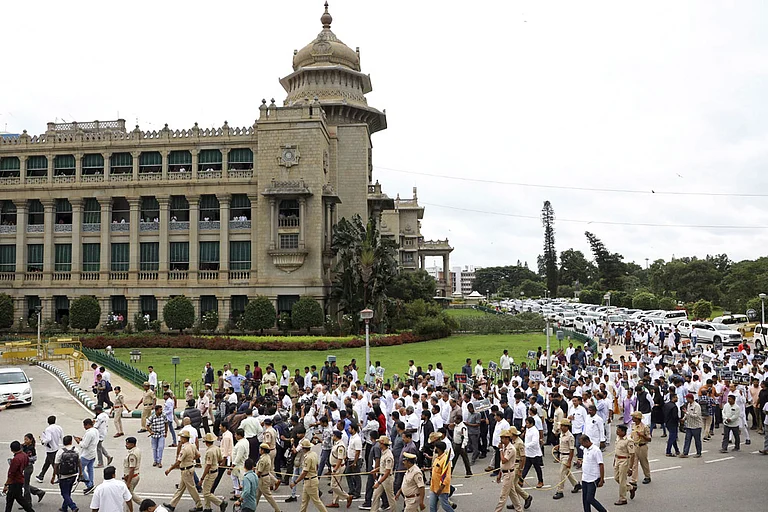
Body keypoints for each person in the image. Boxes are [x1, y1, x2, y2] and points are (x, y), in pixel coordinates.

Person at [163, 430, 203, 512]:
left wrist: (169, 469)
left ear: (184, 439)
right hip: (189, 468)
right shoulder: (192, 446)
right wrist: (191, 459)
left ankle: (199, 505)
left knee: (192, 489)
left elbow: (178, 461)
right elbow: (198, 455)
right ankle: (172, 505)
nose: (180, 439)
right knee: (180, 489)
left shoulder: (184, 449)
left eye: (181, 437)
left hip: (186, 470)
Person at [289, 438, 327, 512]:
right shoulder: (314, 454)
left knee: (316, 501)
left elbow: (304, 472)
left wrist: (295, 482)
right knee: (304, 501)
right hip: (310, 480)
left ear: (303, 448)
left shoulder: (307, 458)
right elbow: (316, 466)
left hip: (310, 481)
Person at [493, 429, 521, 512]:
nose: (501, 440)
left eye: (502, 438)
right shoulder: (506, 447)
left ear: (507, 438)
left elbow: (504, 460)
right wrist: (499, 474)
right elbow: (503, 465)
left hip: (509, 474)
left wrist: (500, 450)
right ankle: (519, 510)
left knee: (503, 496)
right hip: (506, 472)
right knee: (513, 495)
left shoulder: (511, 449)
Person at [5, 440, 35, 512]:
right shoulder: (24, 455)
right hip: (20, 479)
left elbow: (11, 474)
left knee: (17, 499)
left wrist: (6, 484)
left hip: (15, 482)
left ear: (12, 450)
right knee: (12, 499)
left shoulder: (16, 459)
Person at [553, 418, 580, 499]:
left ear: (566, 427)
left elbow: (571, 450)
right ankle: (576, 484)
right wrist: (558, 447)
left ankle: (559, 491)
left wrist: (569, 461)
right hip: (562, 455)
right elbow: (562, 443)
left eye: (562, 426)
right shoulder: (562, 434)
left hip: (567, 456)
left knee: (561, 473)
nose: (560, 427)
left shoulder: (570, 436)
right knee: (567, 472)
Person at [52, 435, 80, 512]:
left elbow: (56, 465)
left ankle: (73, 506)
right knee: (68, 492)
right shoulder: (76, 450)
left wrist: (54, 476)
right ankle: (64, 508)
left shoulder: (60, 451)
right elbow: (79, 462)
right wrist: (80, 473)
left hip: (63, 476)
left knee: (64, 493)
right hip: (74, 474)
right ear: (71, 441)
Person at [200, 433, 227, 512]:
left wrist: (202, 478)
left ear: (206, 442)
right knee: (206, 489)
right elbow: (220, 460)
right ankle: (207, 507)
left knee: (206, 493)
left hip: (210, 473)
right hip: (215, 471)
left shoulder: (210, 451)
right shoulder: (216, 448)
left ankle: (221, 503)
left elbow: (208, 465)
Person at [579, 436, 607, 512]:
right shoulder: (585, 449)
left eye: (582, 443)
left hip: (593, 478)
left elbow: (601, 465)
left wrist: (601, 479)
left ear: (587, 441)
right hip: (585, 477)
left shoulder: (596, 450)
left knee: (590, 498)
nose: (582, 445)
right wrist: (581, 463)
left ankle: (603, 511)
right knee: (585, 499)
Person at [327, 430, 352, 508]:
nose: (332, 437)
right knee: (337, 484)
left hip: (338, 467)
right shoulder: (337, 444)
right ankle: (335, 502)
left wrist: (335, 469)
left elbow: (340, 459)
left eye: (333, 435)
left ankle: (347, 497)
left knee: (334, 485)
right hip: (335, 466)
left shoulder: (340, 446)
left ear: (336, 436)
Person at [370, 436, 395, 512]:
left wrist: (378, 482)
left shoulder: (388, 456)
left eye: (379, 443)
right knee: (375, 495)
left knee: (390, 498)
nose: (378, 444)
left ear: (382, 444)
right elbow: (383, 467)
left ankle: (393, 510)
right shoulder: (384, 453)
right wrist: (376, 470)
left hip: (387, 478)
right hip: (382, 476)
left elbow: (387, 471)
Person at [612, 424, 636, 506]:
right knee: (616, 478)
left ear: (623, 431)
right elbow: (616, 450)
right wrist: (614, 460)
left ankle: (622, 498)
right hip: (617, 459)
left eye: (618, 430)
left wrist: (630, 468)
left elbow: (632, 454)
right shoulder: (618, 438)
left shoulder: (629, 440)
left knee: (622, 480)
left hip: (624, 460)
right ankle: (630, 488)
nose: (617, 431)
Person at [36, 416, 63, 483]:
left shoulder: (48, 429)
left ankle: (60, 477)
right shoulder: (59, 428)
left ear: (48, 421)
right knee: (47, 462)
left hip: (50, 449)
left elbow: (48, 439)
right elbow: (62, 437)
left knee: (54, 464)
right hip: (56, 447)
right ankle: (41, 476)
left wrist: (43, 441)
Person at [75, 418, 99, 495]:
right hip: (93, 453)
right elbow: (90, 441)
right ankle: (91, 484)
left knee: (80, 469)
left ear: (88, 425)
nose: (84, 427)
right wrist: (82, 439)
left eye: (85, 425)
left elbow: (84, 445)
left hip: (86, 454)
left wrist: (79, 442)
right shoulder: (95, 431)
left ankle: (89, 485)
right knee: (90, 469)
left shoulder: (89, 433)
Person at [255, 443, 280, 512]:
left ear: (263, 450)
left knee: (268, 496)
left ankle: (277, 510)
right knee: (257, 495)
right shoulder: (267, 457)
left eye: (260, 449)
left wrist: (253, 477)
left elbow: (259, 471)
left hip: (262, 479)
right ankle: (252, 509)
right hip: (263, 478)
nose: (259, 450)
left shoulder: (263, 459)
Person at [428, 441, 452, 512]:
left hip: (441, 489)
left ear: (439, 449)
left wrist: (440, 489)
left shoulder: (446, 460)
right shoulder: (437, 458)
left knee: (445, 506)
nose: (434, 449)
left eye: (435, 447)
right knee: (432, 507)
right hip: (433, 487)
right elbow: (435, 468)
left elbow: (447, 477)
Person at [21, 434, 45, 504]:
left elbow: (34, 458)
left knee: (25, 485)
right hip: (23, 467)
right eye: (24, 439)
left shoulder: (31, 448)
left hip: (28, 467)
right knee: (23, 483)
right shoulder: (24, 446)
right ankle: (38, 492)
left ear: (31, 440)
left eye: (26, 439)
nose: (25, 441)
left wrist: (25, 458)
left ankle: (28, 502)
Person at [628, 411, 651, 486]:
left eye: (634, 417)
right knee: (634, 463)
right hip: (635, 446)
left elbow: (649, 439)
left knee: (644, 462)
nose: (632, 419)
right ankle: (634, 480)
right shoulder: (633, 426)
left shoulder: (644, 427)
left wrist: (642, 435)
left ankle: (647, 476)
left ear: (637, 418)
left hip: (642, 446)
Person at [520, 417, 543, 488]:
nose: (526, 425)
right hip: (528, 452)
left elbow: (534, 442)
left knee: (537, 468)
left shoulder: (535, 431)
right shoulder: (528, 429)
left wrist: (526, 445)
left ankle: (540, 481)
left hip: (534, 453)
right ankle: (521, 480)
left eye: (527, 423)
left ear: (531, 423)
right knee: (526, 467)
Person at [680, 393, 703, 458]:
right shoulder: (688, 405)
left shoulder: (696, 406)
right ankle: (685, 452)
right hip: (689, 425)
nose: (686, 400)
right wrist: (684, 419)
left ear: (690, 398)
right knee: (687, 439)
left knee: (697, 440)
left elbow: (696, 416)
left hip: (696, 426)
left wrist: (687, 413)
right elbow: (686, 414)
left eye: (687, 398)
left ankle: (699, 452)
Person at [122, 437, 143, 507]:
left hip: (131, 477)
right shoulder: (137, 450)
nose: (126, 445)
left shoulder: (132, 454)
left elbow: (132, 469)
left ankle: (144, 504)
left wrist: (128, 482)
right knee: (129, 494)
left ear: (132, 444)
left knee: (128, 496)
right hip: (134, 475)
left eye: (127, 444)